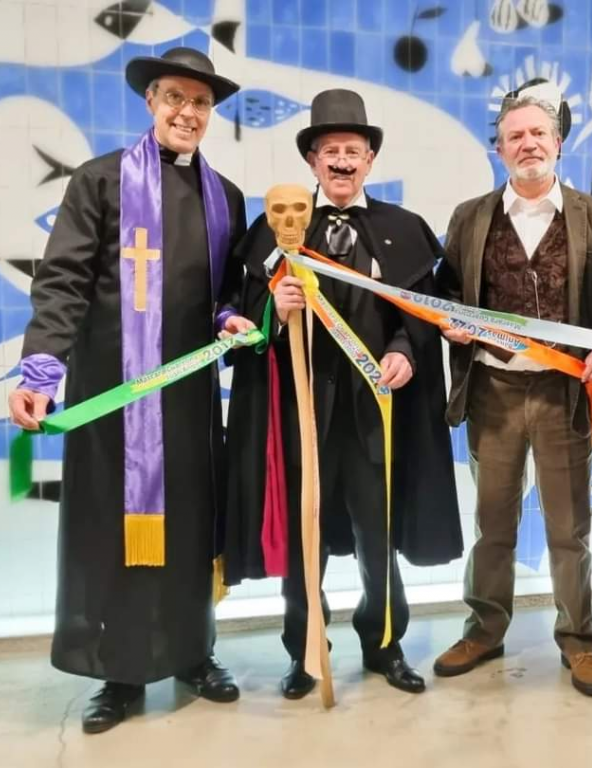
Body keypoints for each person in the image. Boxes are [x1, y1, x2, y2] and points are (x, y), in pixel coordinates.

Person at [9, 47, 251, 734]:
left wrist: (230, 317)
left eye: (201, 103)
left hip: (189, 398)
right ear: (151, 101)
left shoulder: (226, 197)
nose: (187, 112)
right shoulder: (101, 181)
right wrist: (41, 371)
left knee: (189, 530)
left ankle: (194, 652)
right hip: (112, 398)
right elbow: (63, 280)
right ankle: (118, 672)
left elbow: (225, 292)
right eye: (175, 97)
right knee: (112, 534)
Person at [222, 89, 463, 699]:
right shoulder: (274, 228)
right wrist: (274, 309)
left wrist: (405, 351)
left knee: (378, 538)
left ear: (370, 159)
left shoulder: (403, 230)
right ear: (312, 161)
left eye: (353, 150)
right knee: (306, 542)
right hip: (301, 414)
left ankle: (385, 645)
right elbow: (241, 315)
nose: (341, 161)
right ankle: (306, 652)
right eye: (329, 150)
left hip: (373, 415)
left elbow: (421, 311)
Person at [432, 84, 592, 697]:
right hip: (492, 390)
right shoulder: (469, 217)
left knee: (570, 529)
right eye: (514, 136)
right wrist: (449, 322)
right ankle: (484, 630)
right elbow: (447, 295)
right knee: (493, 524)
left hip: (563, 394)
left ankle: (579, 640)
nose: (527, 144)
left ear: (558, 142)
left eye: (538, 133)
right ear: (500, 149)